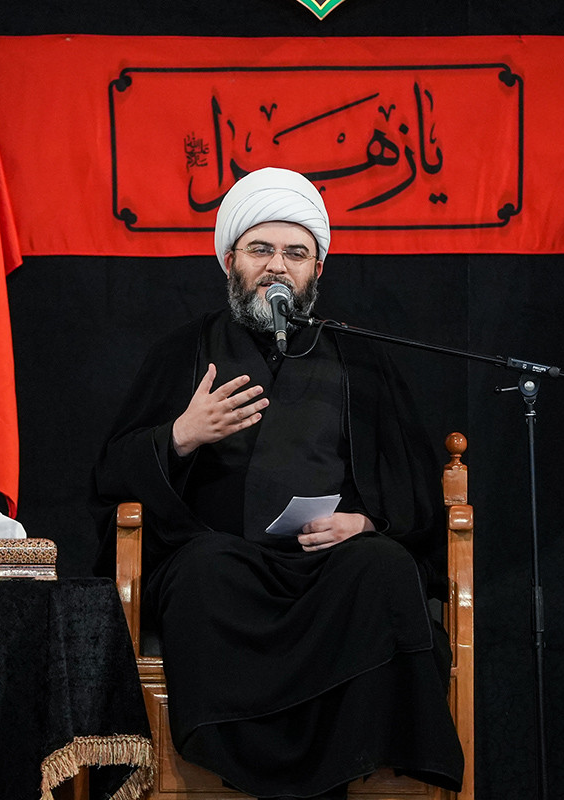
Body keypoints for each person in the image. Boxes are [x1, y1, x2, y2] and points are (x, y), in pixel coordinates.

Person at [90, 167, 463, 799]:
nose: (276, 267)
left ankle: (353, 759)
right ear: (229, 260)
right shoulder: (185, 351)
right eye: (260, 250)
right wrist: (180, 435)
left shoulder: (361, 359)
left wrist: (366, 522)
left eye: (295, 253)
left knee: (383, 565)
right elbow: (110, 473)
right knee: (204, 571)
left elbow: (414, 490)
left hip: (330, 567)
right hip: (227, 567)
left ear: (318, 268)